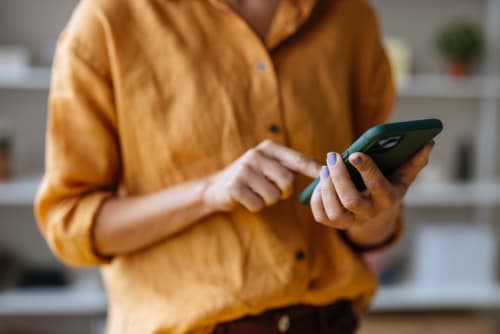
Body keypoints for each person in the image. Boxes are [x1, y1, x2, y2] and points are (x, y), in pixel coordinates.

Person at [35, 0, 433, 333]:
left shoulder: (351, 17)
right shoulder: (109, 20)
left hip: (330, 321)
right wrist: (207, 192)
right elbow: (69, 223)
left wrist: (376, 210)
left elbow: (370, 232)